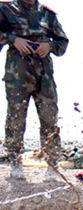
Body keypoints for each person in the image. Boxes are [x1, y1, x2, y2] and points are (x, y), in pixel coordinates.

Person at [0, 0, 68, 183]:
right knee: (16, 117)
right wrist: (13, 39)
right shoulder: (6, 9)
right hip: (18, 74)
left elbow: (63, 42)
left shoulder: (47, 14)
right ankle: (15, 162)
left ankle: (52, 165)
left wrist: (50, 46)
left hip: (44, 76)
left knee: (49, 118)